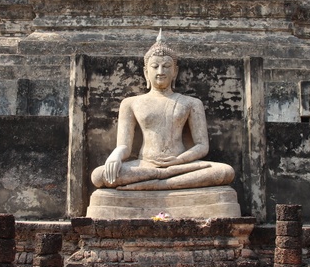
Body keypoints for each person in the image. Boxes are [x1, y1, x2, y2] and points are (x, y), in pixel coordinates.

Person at [90, 31, 235, 191]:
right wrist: (116, 155)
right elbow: (124, 145)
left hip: (181, 165)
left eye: (166, 66)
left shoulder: (191, 103)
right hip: (145, 165)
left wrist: (178, 161)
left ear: (175, 71)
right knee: (98, 175)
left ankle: (151, 184)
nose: (161, 71)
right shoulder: (131, 103)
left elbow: (202, 146)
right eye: (155, 66)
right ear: (146, 72)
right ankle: (160, 180)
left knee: (225, 172)